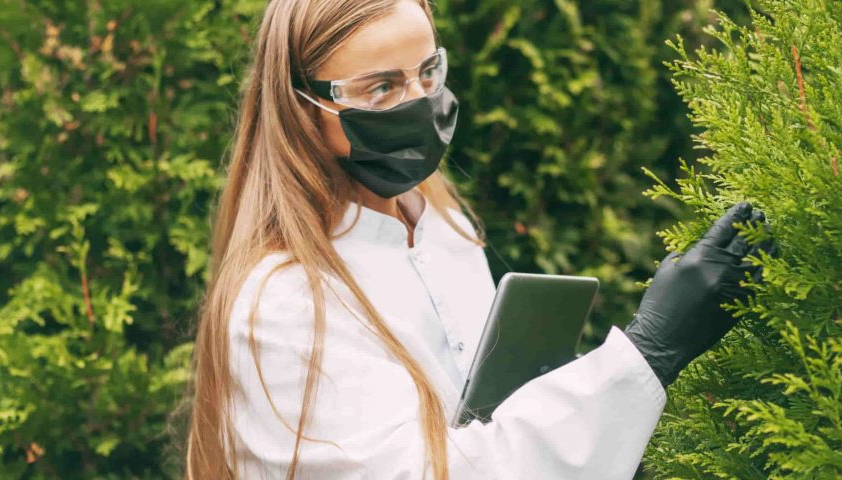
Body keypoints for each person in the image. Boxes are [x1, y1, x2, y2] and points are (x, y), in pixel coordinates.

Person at [182, 0, 772, 478]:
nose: (418, 102)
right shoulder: (284, 306)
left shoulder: (443, 227)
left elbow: (483, 427)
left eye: (427, 72)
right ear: (300, 108)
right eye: (379, 88)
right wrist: (648, 352)